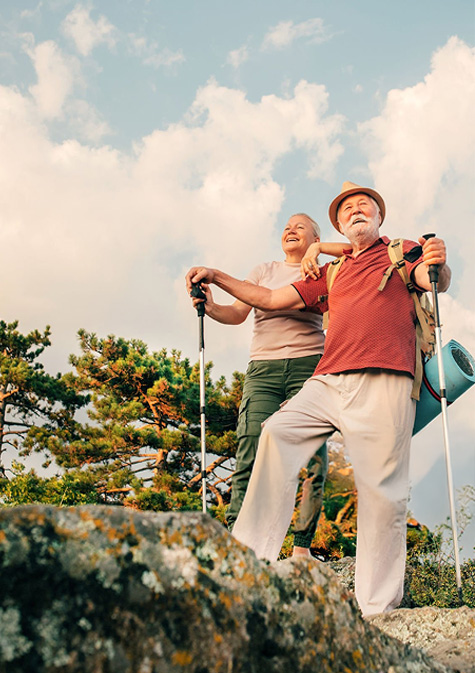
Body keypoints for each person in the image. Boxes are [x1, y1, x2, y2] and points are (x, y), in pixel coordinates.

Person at [186, 181, 451, 616]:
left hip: (385, 376)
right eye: (347, 208)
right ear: (341, 225)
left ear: (379, 217)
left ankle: (378, 610)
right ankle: (248, 563)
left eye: (364, 204)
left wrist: (438, 263)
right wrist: (216, 276)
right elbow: (270, 298)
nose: (356, 210)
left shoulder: (400, 251)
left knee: (381, 490)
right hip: (327, 380)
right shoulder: (331, 271)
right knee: (275, 432)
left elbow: (432, 278)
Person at [189, 213, 346, 557]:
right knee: (250, 448)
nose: (291, 230)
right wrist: (212, 307)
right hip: (264, 371)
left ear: (316, 239)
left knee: (312, 457)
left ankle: (301, 547)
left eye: (301, 227)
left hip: (309, 367)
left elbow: (351, 255)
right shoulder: (263, 271)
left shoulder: (324, 273)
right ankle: (237, 542)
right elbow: (238, 312)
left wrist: (321, 252)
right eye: (287, 227)